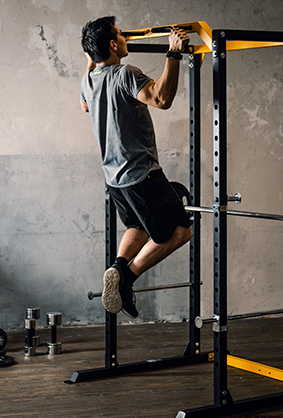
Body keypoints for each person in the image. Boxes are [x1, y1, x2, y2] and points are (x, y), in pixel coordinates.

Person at [79, 16, 193, 318]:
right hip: (141, 173)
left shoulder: (88, 79)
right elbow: (162, 98)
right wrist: (173, 53)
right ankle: (126, 279)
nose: (125, 38)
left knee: (138, 226)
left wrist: (91, 60)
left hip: (114, 178)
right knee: (180, 231)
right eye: (120, 35)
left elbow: (85, 106)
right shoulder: (125, 73)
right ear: (114, 44)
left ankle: (117, 268)